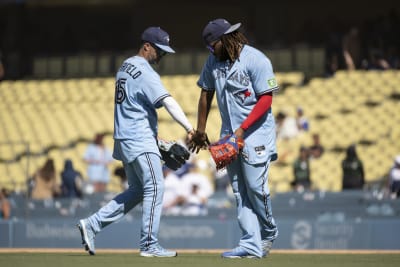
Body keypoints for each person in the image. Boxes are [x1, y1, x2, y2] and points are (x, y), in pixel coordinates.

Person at [77, 26, 195, 257]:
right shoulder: (145, 71)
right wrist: (189, 129)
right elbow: (169, 102)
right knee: (156, 187)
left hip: (126, 136)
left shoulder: (125, 66)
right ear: (146, 46)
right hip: (138, 138)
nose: (161, 55)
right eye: (159, 50)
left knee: (139, 190)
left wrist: (156, 138)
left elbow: (134, 108)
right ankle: (149, 244)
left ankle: (92, 224)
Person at [188, 18, 279, 258]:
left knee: (255, 188)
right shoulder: (213, 62)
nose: (210, 51)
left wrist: (242, 130)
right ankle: (250, 243)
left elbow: (266, 99)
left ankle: (268, 232)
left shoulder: (256, 60)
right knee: (239, 190)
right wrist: (200, 130)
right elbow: (205, 94)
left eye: (212, 46)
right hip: (229, 135)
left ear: (225, 40)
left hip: (255, 134)